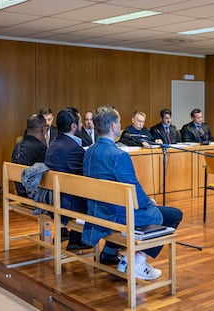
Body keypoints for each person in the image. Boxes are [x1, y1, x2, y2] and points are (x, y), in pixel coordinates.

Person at [82, 106, 183, 280]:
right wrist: (149, 201)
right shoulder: (118, 155)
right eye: (119, 121)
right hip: (116, 215)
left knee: (154, 209)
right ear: (114, 127)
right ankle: (138, 263)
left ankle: (115, 254)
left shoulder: (89, 152)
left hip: (98, 209)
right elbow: (134, 191)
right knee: (173, 215)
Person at [45, 107, 91, 250]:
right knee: (102, 200)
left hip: (53, 195)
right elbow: (84, 176)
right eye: (80, 122)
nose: (82, 125)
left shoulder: (54, 143)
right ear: (73, 126)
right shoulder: (73, 148)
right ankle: (112, 247)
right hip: (65, 202)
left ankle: (76, 240)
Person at [11, 113, 47, 197]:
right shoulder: (40, 148)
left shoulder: (17, 146)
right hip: (32, 195)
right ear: (43, 129)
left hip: (21, 192)